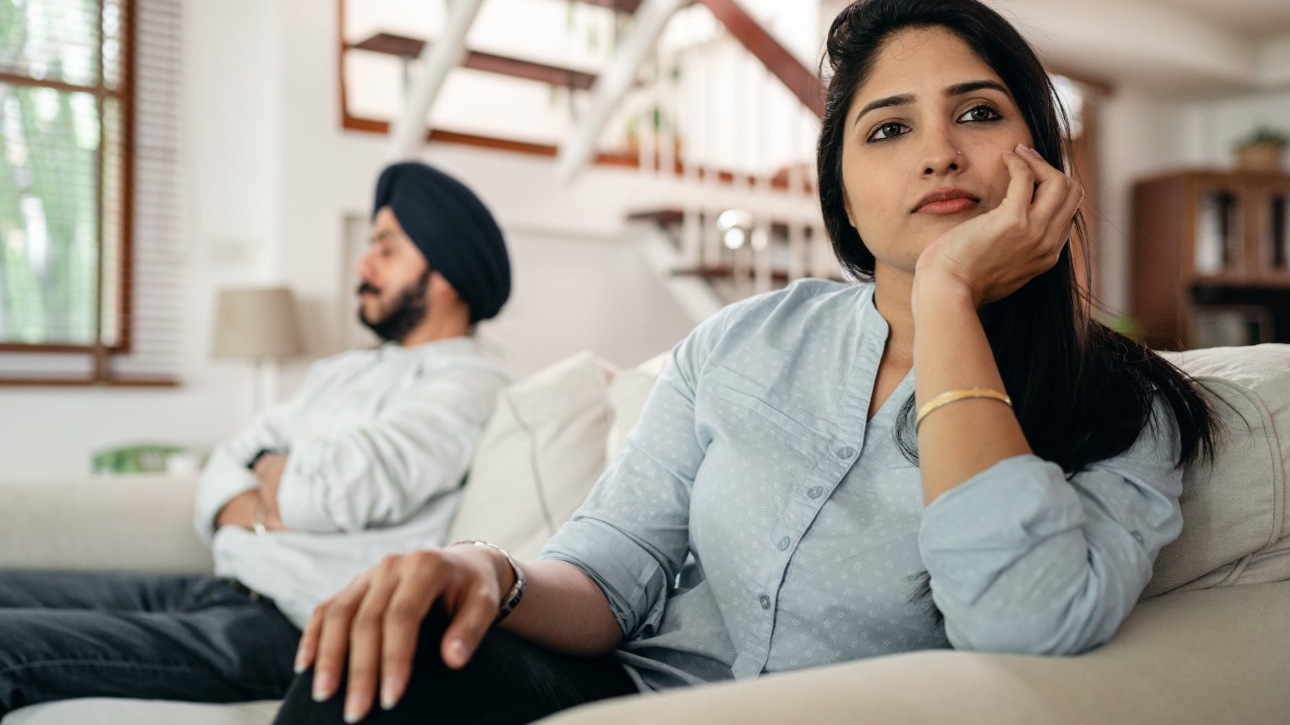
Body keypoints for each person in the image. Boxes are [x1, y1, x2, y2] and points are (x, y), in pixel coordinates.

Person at [274, 2, 1220, 723]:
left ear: (1040, 160)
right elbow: (617, 570)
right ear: (843, 196)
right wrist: (483, 569)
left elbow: (1022, 618)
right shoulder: (739, 342)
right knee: (367, 668)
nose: (937, 152)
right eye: (888, 128)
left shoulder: (1122, 405)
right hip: (626, 695)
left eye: (975, 112)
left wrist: (947, 299)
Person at [0, 161, 515, 717]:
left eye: (386, 250)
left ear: (446, 274)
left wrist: (272, 478)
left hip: (288, 628)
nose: (362, 266)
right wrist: (274, 493)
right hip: (218, 586)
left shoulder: (472, 386)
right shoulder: (341, 372)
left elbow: (326, 493)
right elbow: (228, 462)